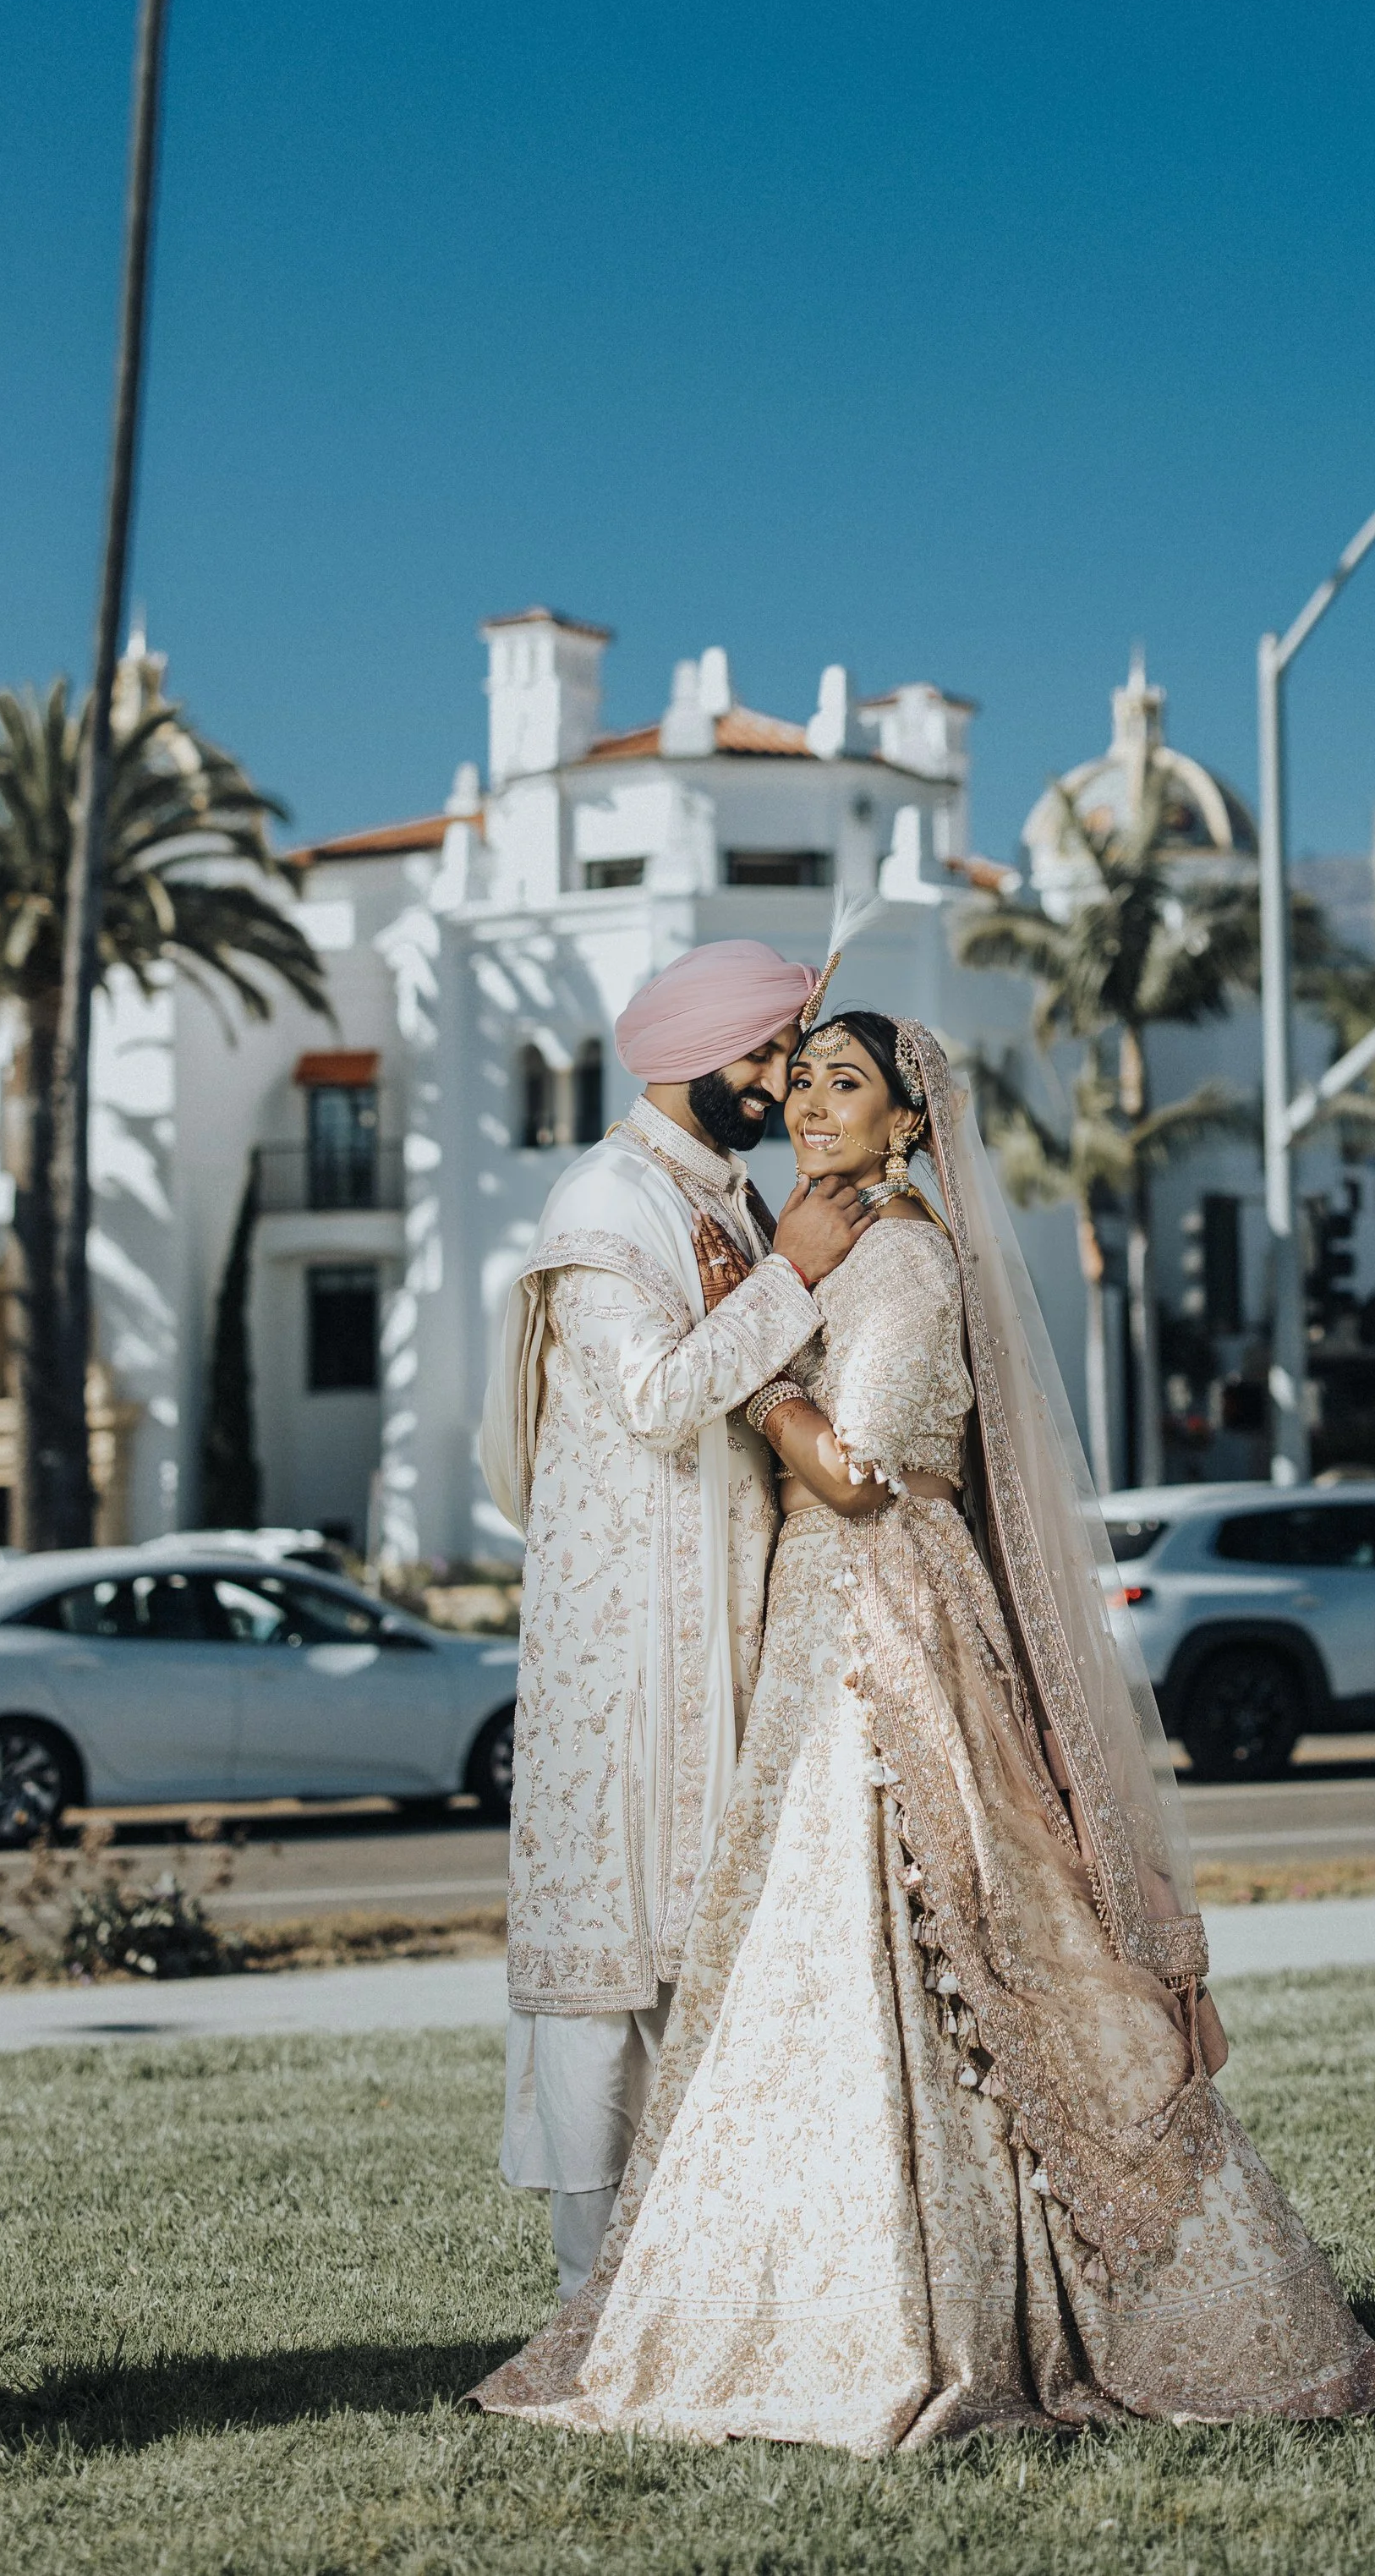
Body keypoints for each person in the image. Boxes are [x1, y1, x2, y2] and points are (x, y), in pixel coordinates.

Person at [474, 1007, 1375, 2448]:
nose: (805, 1108)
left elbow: (854, 1477)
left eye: (840, 1086)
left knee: (902, 1936)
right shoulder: (830, 1234)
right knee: (821, 1962)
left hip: (876, 1629)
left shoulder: (901, 1254)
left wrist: (767, 1356)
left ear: (911, 1121)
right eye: (797, 1084)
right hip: (823, 1619)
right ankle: (830, 2288)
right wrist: (780, 1297)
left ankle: (926, 2313)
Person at [478, 938, 877, 2303]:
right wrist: (796, 1273)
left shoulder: (735, 1195)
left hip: (725, 1618)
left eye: (788, 1055)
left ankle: (706, 2278)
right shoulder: (604, 1202)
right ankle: (596, 2294)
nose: (776, 1083)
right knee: (614, 1964)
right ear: (684, 1056)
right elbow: (653, 1395)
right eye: (761, 1057)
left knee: (707, 1952)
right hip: (627, 1650)